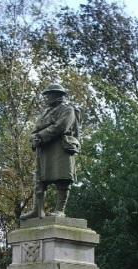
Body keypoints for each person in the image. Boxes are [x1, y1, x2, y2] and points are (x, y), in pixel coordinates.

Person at [21, 84, 81, 220]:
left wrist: (40, 136)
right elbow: (34, 130)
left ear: (58, 95)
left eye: (49, 94)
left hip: (61, 147)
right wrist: (34, 138)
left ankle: (60, 210)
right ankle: (37, 209)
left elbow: (61, 126)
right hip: (45, 149)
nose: (47, 97)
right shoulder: (45, 112)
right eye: (47, 95)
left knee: (62, 179)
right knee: (40, 180)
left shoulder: (68, 110)